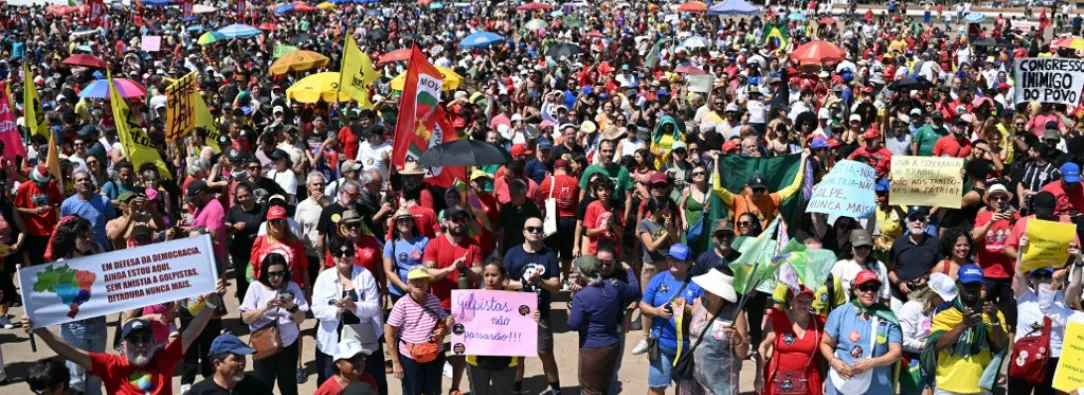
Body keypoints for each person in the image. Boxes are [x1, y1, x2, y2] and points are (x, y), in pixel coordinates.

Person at [24, 278, 225, 395]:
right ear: (122, 346)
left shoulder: (164, 358)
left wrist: (211, 302)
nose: (140, 344)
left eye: (146, 339)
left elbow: (192, 332)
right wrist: (39, 329)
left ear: (155, 342)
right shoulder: (110, 366)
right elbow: (68, 350)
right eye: (133, 340)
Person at [312, 235, 386, 393]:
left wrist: (354, 306)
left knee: (370, 378)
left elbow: (373, 306)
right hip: (334, 337)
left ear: (354, 253)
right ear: (332, 256)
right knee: (333, 382)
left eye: (348, 252)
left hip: (363, 335)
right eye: (339, 253)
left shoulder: (365, 275)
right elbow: (316, 309)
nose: (344, 256)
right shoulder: (324, 278)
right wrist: (337, 310)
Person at [922, 264, 1009, 395]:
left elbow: (1001, 347)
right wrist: (963, 325)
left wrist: (995, 322)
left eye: (976, 284)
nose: (972, 289)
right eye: (968, 284)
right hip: (947, 388)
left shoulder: (992, 313)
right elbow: (937, 345)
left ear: (982, 286)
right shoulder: (944, 311)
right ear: (958, 284)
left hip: (980, 387)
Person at [1008, 245, 1084, 395]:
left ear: (1053, 277)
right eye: (1038, 275)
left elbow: (1075, 284)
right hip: (1024, 356)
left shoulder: (1060, 297)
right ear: (1031, 278)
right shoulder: (1024, 295)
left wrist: (1079, 260)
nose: (1042, 279)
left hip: (1052, 357)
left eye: (1046, 275)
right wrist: (1022, 251)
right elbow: (1018, 275)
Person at [502, 217, 562, 395]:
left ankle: (556, 390)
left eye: (538, 229)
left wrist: (540, 282)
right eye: (531, 228)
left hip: (540, 313)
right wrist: (523, 283)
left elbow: (556, 286)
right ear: (524, 232)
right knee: (517, 356)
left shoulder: (549, 255)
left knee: (546, 354)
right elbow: (503, 281)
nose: (535, 232)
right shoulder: (512, 253)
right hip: (515, 314)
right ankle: (517, 390)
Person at [820, 270, 903, 395]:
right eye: (864, 288)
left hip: (877, 386)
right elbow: (825, 343)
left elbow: (896, 352)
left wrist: (872, 362)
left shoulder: (888, 317)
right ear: (855, 289)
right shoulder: (840, 313)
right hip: (842, 383)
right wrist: (834, 361)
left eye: (874, 288)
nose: (869, 292)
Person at [567, 254, 640, 395]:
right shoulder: (615, 285)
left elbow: (573, 325)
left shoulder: (581, 296)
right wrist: (629, 270)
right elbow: (634, 289)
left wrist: (569, 309)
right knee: (603, 388)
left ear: (581, 273)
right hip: (612, 345)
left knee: (589, 391)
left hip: (591, 349)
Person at [239, 252, 310, 395]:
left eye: (280, 273)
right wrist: (266, 308)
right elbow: (245, 317)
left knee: (289, 386)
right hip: (263, 347)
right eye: (272, 274)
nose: (276, 277)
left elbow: (301, 319)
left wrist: (292, 307)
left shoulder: (293, 287)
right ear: (265, 272)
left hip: (288, 346)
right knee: (263, 388)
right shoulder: (256, 287)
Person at [639, 243, 704, 394]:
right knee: (656, 387)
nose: (672, 262)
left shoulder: (697, 284)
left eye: (678, 260)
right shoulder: (658, 279)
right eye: (670, 258)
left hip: (688, 349)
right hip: (661, 344)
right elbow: (643, 306)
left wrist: (688, 309)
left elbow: (703, 314)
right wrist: (657, 311)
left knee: (684, 389)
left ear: (688, 264)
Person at [683, 267, 747, 395]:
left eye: (710, 287)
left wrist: (737, 339)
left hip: (720, 383)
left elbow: (743, 353)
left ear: (721, 292)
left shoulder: (735, 314)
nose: (705, 289)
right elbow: (688, 333)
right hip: (693, 378)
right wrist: (682, 314)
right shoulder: (699, 303)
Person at [386, 267, 447, 395]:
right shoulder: (401, 305)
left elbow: (443, 323)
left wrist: (443, 330)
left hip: (434, 354)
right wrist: (396, 362)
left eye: (423, 280)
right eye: (415, 280)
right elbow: (390, 334)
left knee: (434, 391)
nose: (419, 283)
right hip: (410, 358)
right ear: (408, 283)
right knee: (412, 391)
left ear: (428, 282)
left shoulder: (434, 300)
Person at [710, 151, 808, 228]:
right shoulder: (738, 200)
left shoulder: (771, 199)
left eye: (762, 189)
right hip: (741, 244)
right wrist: (716, 161)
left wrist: (803, 159)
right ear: (747, 188)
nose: (759, 193)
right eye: (755, 190)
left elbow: (795, 186)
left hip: (762, 246)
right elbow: (717, 188)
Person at [757, 285, 824, 395]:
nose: (803, 304)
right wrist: (758, 376)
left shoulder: (819, 323)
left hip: (808, 380)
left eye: (807, 301)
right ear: (790, 301)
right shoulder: (778, 318)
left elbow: (822, 355)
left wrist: (825, 378)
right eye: (799, 300)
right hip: (779, 379)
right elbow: (763, 346)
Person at [897, 273, 956, 395]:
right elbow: (901, 339)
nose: (946, 301)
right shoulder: (912, 307)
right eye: (943, 297)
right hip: (913, 363)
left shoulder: (938, 310)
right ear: (933, 294)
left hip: (934, 360)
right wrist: (926, 345)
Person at [188, 334, 274, 395]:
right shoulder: (198, 392)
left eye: (243, 357)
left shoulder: (256, 386)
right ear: (217, 364)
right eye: (236, 359)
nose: (242, 363)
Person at [15, 165, 62, 266]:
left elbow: (58, 202)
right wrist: (34, 211)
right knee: (37, 264)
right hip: (33, 233)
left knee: (53, 263)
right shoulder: (24, 187)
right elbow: (17, 208)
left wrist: (52, 207)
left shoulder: (52, 185)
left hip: (51, 231)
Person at [225, 182, 264, 302]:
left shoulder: (262, 209)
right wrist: (234, 227)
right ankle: (244, 312)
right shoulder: (233, 211)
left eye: (246, 195)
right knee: (242, 283)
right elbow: (225, 231)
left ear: (252, 195)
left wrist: (259, 236)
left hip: (259, 252)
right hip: (240, 254)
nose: (243, 199)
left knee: (260, 281)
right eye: (240, 197)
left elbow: (270, 228)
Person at [60, 170, 114, 250]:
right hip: (79, 251)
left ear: (91, 182)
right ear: (74, 185)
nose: (84, 182)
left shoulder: (104, 201)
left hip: (102, 249)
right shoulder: (67, 205)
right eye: (79, 180)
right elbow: (64, 229)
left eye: (86, 179)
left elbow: (111, 225)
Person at [384, 208, 429, 303]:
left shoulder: (423, 241)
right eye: (401, 220)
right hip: (398, 291)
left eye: (407, 220)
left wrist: (416, 287)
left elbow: (427, 266)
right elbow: (388, 271)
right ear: (396, 225)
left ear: (413, 223)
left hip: (419, 290)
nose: (404, 223)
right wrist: (404, 287)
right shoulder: (390, 244)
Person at [314, 339, 381, 395]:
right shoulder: (327, 389)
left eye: (361, 357)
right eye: (352, 359)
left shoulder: (369, 380)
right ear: (338, 363)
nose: (359, 362)